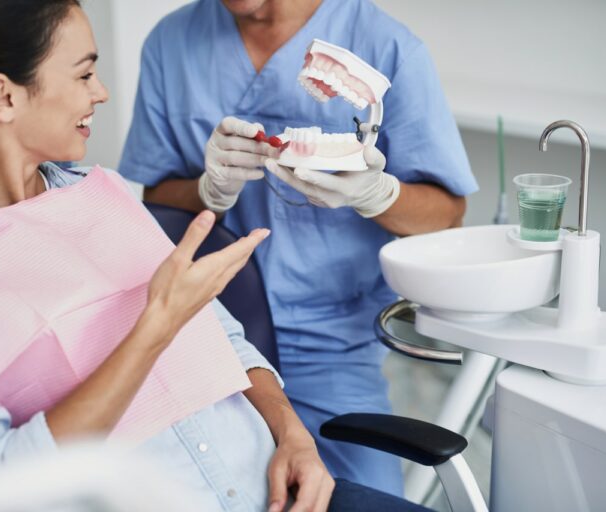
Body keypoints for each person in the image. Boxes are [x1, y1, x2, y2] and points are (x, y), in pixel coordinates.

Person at [0, 1, 430, 511]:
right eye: (84, 73)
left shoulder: (100, 192)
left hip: (278, 487)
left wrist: (292, 435)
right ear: (4, 96)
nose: (100, 92)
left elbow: (225, 341)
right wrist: (154, 327)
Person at [118, 0, 479, 496]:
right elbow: (157, 200)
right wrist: (208, 190)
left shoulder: (386, 46)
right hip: (206, 334)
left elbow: (447, 214)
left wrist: (378, 195)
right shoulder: (172, 42)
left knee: (366, 496)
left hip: (330, 345)